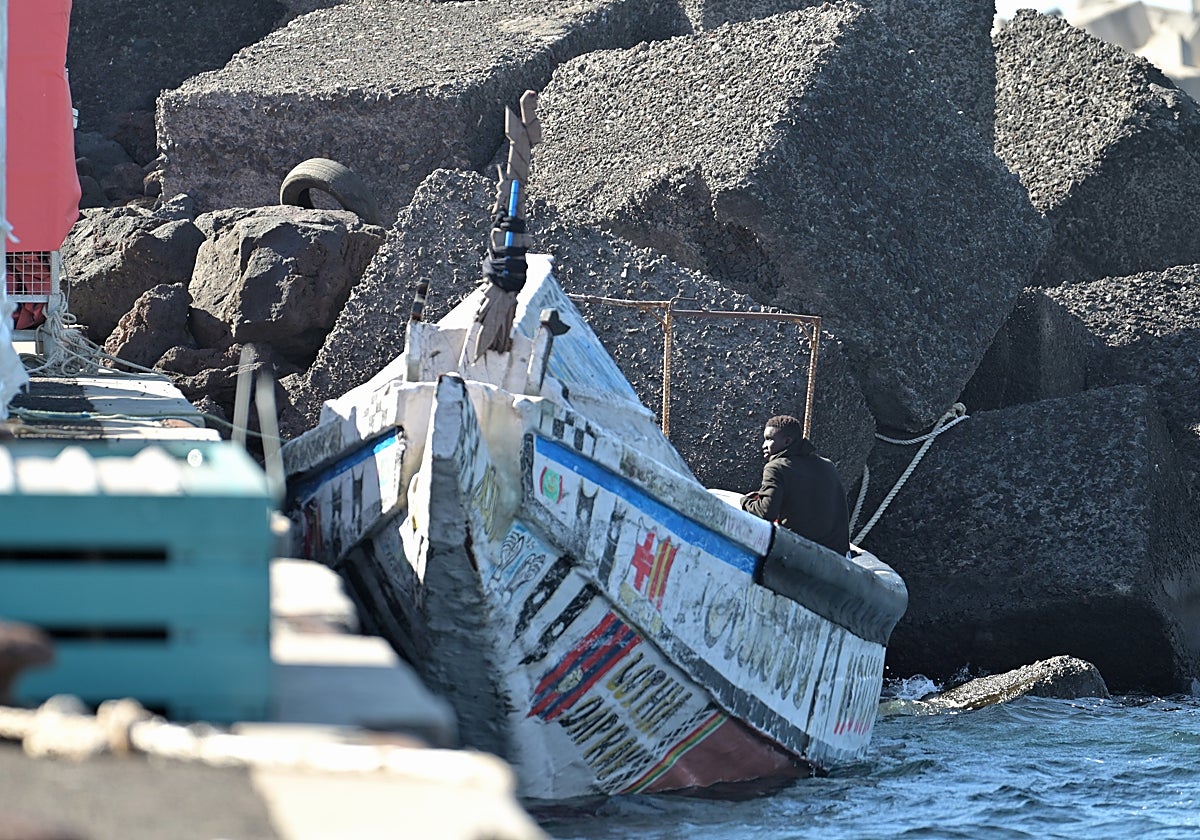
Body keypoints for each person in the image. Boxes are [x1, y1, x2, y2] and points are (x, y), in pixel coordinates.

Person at [740, 414, 850, 556]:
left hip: (801, 555)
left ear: (787, 441)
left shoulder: (776, 467)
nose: (764, 445)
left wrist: (745, 502)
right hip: (839, 557)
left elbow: (765, 512)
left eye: (769, 439)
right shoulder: (828, 465)